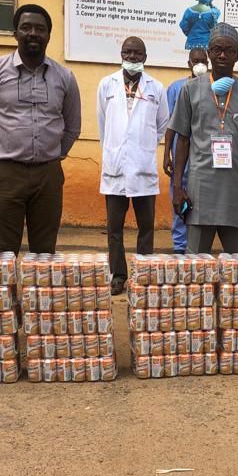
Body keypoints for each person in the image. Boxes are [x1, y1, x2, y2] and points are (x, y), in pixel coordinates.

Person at [0, 4, 82, 255]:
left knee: (45, 252)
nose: (33, 33)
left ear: (49, 35)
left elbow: (73, 126)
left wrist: (56, 154)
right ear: (15, 33)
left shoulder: (65, 77)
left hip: (48, 175)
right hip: (6, 174)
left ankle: (39, 285)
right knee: (3, 251)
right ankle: (5, 285)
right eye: (26, 27)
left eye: (40, 29)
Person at [169, 23, 238, 255]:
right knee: (196, 265)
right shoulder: (190, 90)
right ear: (209, 53)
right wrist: (177, 186)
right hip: (200, 190)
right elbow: (182, 140)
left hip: (237, 190)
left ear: (237, 56)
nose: (222, 55)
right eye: (217, 49)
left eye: (229, 50)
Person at [97, 36, 169, 295]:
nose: (132, 57)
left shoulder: (156, 88)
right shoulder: (107, 85)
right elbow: (103, 124)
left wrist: (143, 146)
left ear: (145, 57)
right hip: (115, 168)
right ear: (121, 54)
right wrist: (116, 148)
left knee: (146, 227)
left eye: (137, 53)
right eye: (127, 52)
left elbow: (162, 124)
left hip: (143, 168)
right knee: (114, 229)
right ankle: (118, 276)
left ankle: (143, 274)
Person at [163, 48, 210, 254]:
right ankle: (180, 246)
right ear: (188, 63)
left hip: (203, 157)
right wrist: (167, 153)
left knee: (201, 203)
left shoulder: (213, 87)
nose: (199, 65)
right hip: (181, 156)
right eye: (195, 61)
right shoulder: (176, 88)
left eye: (203, 61)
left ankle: (198, 246)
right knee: (179, 198)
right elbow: (170, 124)